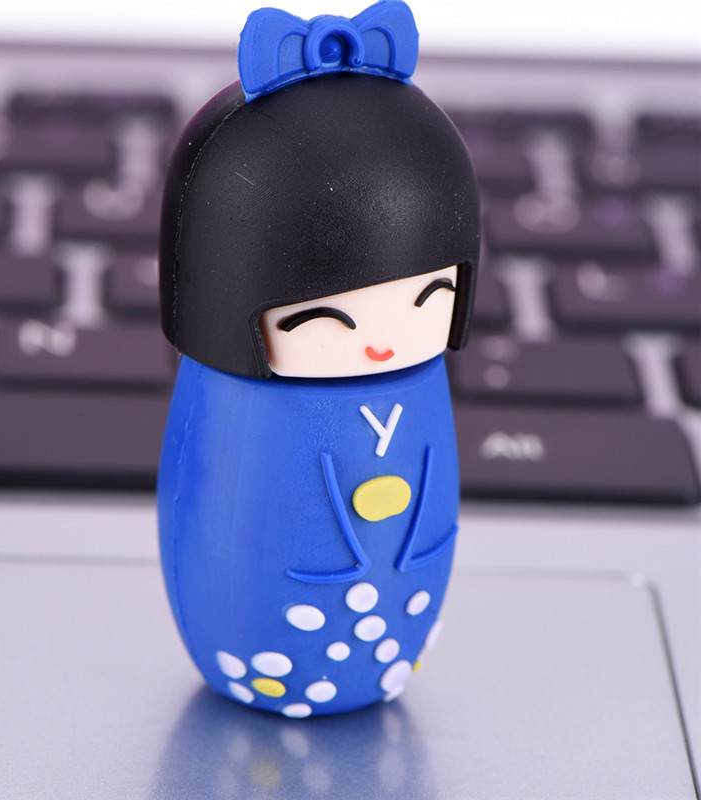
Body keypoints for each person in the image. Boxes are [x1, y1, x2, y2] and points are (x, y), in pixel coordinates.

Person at [157, 1, 480, 717]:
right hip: (263, 611)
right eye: (325, 321)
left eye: (429, 299)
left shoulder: (419, 378)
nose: (380, 342)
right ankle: (264, 671)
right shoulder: (239, 391)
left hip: (400, 583)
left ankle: (376, 667)